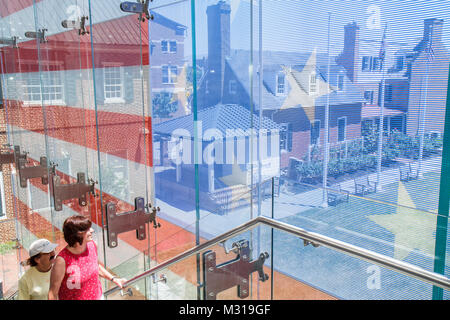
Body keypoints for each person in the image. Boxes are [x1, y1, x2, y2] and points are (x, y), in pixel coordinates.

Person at [48, 215, 126, 300]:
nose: (92, 230)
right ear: (78, 234)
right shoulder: (61, 260)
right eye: (88, 229)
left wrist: (114, 279)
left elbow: (96, 266)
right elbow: (52, 293)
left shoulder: (92, 245)